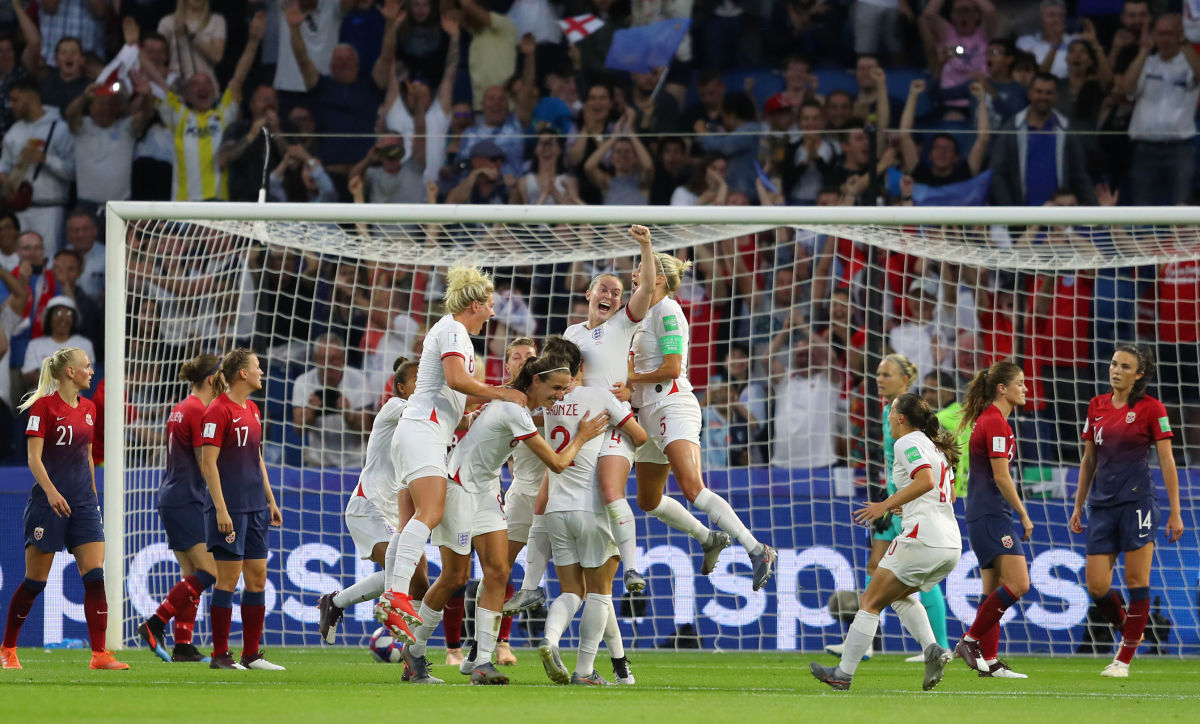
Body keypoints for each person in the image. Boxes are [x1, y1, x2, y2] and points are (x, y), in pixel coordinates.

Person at [403, 346, 615, 686]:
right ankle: (413, 651)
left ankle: (482, 662)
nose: (560, 396)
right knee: (455, 578)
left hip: (486, 491)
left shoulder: (520, 407)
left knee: (499, 572)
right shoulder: (514, 410)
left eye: (564, 389)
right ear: (535, 381)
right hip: (458, 486)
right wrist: (583, 436)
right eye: (556, 389)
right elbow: (558, 463)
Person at [374, 266, 526, 648]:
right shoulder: (454, 330)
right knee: (430, 513)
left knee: (422, 516)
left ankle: (395, 595)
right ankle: (394, 594)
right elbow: (458, 380)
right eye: (490, 305)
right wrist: (500, 393)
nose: (493, 313)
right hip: (422, 429)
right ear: (475, 304)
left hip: (426, 431)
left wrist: (494, 396)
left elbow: (458, 394)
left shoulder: (453, 333)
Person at [630, 252, 776, 591]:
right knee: (648, 501)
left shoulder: (667, 310)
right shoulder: (640, 314)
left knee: (692, 487)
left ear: (659, 279)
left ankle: (757, 549)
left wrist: (628, 377)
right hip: (647, 412)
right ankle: (708, 537)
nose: (635, 275)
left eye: (641, 269)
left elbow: (670, 367)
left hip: (672, 405)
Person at [811, 393, 960, 691]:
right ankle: (932, 649)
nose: (889, 417)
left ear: (901, 418)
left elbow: (925, 481)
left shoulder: (907, 442)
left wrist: (884, 504)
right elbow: (948, 496)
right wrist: (906, 506)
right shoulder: (937, 448)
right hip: (950, 544)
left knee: (869, 602)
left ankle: (842, 675)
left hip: (922, 540)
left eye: (891, 412)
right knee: (896, 595)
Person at [0, 347, 128, 670]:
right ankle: (7, 648)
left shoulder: (89, 409)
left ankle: (99, 655)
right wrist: (53, 493)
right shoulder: (42, 408)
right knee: (35, 582)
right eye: (86, 366)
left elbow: (86, 453)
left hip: (84, 504)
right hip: (48, 504)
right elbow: (33, 458)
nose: (91, 371)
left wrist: (94, 497)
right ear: (69, 372)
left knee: (95, 576)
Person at [1070, 345, 1183, 677]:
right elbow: (1089, 459)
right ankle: (1130, 630)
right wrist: (1079, 504)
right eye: (1113, 363)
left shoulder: (1152, 409)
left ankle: (1123, 659)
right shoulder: (1096, 406)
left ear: (1139, 374)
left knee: (1137, 580)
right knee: (1096, 586)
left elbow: (1166, 460)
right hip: (1102, 506)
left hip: (1137, 504)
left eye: (1124, 366)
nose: (1115, 370)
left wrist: (1175, 511)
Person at [536, 352, 648, 687]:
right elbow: (640, 436)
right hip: (589, 507)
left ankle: (550, 640)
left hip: (556, 509)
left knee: (572, 590)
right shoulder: (598, 396)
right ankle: (584, 671)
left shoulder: (548, 403)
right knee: (600, 591)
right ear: (579, 368)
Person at [553, 226, 655, 592]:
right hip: (579, 429)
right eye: (604, 289)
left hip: (614, 423)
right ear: (588, 294)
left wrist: (645, 245)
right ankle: (537, 584)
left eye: (616, 292)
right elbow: (562, 380)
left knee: (611, 491)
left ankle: (632, 568)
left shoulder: (623, 324)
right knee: (557, 505)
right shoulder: (571, 334)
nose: (611, 295)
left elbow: (645, 290)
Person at [317, 358, 420, 645]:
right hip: (369, 505)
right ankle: (400, 641)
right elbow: (429, 413)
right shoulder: (396, 407)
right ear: (401, 387)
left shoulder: (424, 420)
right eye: (417, 379)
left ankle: (336, 603)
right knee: (400, 569)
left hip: (395, 511)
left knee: (414, 578)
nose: (423, 384)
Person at [200, 348, 284, 670]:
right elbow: (208, 465)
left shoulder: (252, 409)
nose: (262, 372)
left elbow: (258, 459)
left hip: (256, 507)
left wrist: (271, 500)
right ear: (242, 374)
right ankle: (219, 655)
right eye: (257, 367)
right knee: (228, 580)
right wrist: (221, 510)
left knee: (258, 578)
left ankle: (251, 655)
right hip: (230, 508)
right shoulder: (217, 411)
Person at [135, 354, 220, 663]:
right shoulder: (199, 410)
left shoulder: (182, 407)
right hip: (186, 498)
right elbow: (204, 462)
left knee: (192, 573)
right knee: (210, 571)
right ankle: (155, 622)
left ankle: (183, 645)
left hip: (174, 494)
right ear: (212, 379)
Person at [953, 361, 1032, 679]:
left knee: (993, 589)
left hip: (982, 513)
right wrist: (1023, 513)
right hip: (991, 514)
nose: (1026, 389)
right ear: (1003, 388)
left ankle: (991, 662)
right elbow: (1001, 476)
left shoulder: (990, 420)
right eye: (1020, 383)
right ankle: (969, 641)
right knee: (1019, 583)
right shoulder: (996, 423)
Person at [22, 296, 95, 386]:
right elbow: (28, 377)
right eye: (58, 313)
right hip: (40, 398)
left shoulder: (84, 345)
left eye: (68, 314)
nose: (63, 318)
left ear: (74, 319)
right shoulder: (35, 345)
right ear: (49, 318)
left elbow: (84, 377)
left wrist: (44, 374)